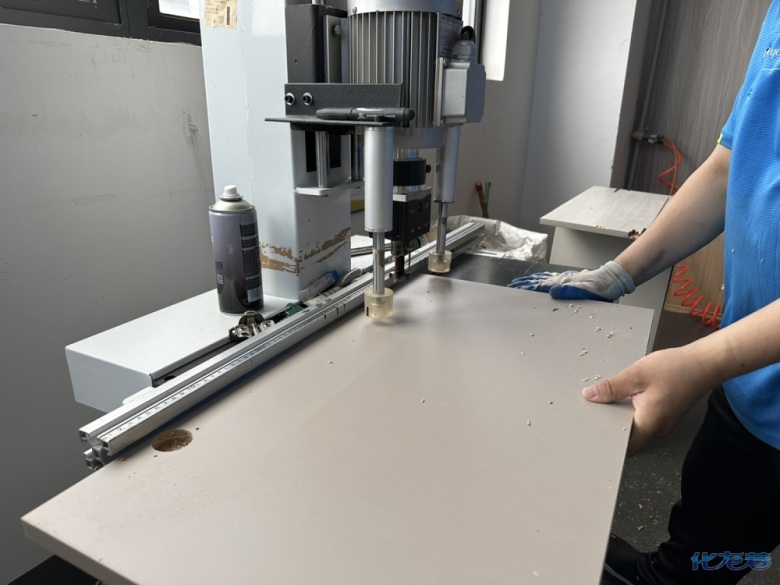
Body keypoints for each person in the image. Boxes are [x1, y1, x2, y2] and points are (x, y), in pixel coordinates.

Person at [511, 2, 780, 583]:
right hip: (750, 374)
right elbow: (728, 166)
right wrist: (619, 272)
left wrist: (700, 362)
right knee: (709, 541)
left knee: (736, 550)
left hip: (742, 370)